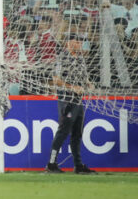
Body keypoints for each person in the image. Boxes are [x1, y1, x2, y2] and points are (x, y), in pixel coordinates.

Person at [44, 33, 96, 174]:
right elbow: (56, 79)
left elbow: (85, 78)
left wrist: (89, 84)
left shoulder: (80, 59)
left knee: (77, 132)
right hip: (66, 99)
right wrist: (72, 87)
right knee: (63, 131)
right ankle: (51, 164)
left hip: (79, 100)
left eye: (81, 41)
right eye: (77, 40)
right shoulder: (62, 58)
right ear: (69, 42)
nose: (80, 43)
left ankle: (78, 165)